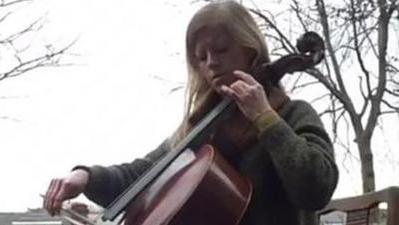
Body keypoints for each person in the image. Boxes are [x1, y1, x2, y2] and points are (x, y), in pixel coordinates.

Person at [43, 1, 339, 225]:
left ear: (251, 52)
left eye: (221, 50)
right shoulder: (202, 127)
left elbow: (316, 189)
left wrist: (265, 118)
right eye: (201, 57)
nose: (211, 63)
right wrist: (85, 177)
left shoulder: (292, 114)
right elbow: (144, 173)